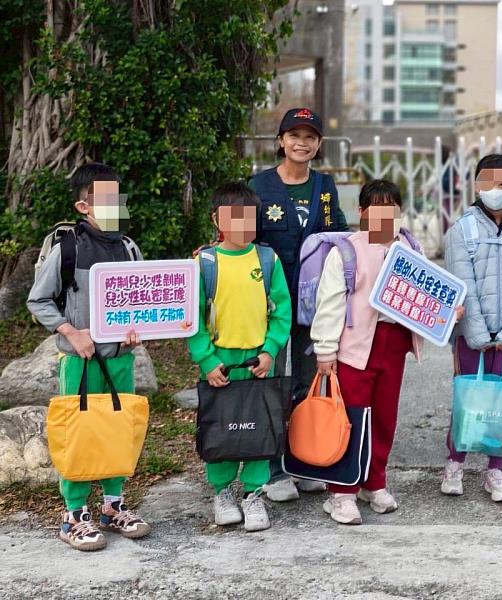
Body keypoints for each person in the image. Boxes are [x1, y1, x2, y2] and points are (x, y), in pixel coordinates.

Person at [27, 163, 150, 551]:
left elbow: (140, 298)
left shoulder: (129, 247)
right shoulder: (67, 248)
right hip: (78, 362)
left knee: (117, 429)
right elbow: (38, 300)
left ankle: (113, 506)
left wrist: (136, 332)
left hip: (120, 360)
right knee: (79, 433)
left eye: (118, 199)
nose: (114, 206)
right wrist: (70, 331)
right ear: (84, 206)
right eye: (105, 200)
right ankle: (74, 514)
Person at [310, 180, 426, 525]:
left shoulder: (410, 246)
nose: (383, 216)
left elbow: (426, 292)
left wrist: (447, 311)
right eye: (375, 209)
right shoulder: (346, 251)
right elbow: (329, 304)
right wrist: (325, 350)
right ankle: (341, 491)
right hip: (354, 350)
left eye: (391, 209)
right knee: (350, 421)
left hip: (394, 345)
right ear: (361, 212)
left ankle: (374, 483)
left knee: (384, 419)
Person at [249, 107, 348, 502]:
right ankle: (273, 469)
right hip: (269, 303)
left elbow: (339, 235)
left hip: (313, 303)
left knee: (309, 382)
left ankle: (303, 460)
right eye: (294, 135)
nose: (301, 143)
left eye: (310, 137)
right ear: (281, 141)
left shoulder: (325, 187)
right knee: (271, 379)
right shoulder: (258, 186)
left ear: (319, 144)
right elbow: (239, 236)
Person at [186, 182, 292, 531]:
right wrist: (206, 359)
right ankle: (222, 492)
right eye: (234, 217)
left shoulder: (267, 259)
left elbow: (281, 312)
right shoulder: (204, 263)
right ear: (218, 219)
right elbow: (193, 318)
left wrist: (270, 350)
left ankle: (254, 494)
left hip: (257, 363)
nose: (244, 224)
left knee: (259, 427)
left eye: (250, 217)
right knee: (221, 428)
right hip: (220, 363)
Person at [440, 154, 502, 503]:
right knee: (468, 397)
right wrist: (477, 334)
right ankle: (455, 462)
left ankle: (496, 470)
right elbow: (461, 282)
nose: (496, 190)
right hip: (472, 334)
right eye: (489, 182)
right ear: (477, 184)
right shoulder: (460, 229)